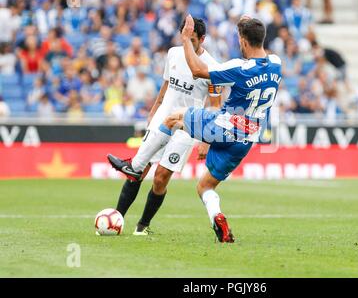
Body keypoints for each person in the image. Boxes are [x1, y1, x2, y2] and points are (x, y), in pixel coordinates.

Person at [109, 15, 282, 243]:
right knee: (204, 186)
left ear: (243, 41)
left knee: (173, 120)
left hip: (224, 126)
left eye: (240, 39)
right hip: (246, 139)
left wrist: (185, 41)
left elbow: (198, 71)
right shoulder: (277, 63)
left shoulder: (238, 67)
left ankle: (135, 166)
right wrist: (246, 25)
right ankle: (217, 217)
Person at [107, 17, 222, 236]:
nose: (188, 43)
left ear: (203, 39)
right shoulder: (173, 54)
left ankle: (142, 226)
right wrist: (155, 109)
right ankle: (116, 219)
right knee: (137, 170)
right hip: (162, 119)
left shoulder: (213, 68)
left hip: (187, 128)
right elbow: (167, 84)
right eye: (185, 38)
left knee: (160, 178)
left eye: (193, 40)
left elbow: (216, 106)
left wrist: (206, 140)